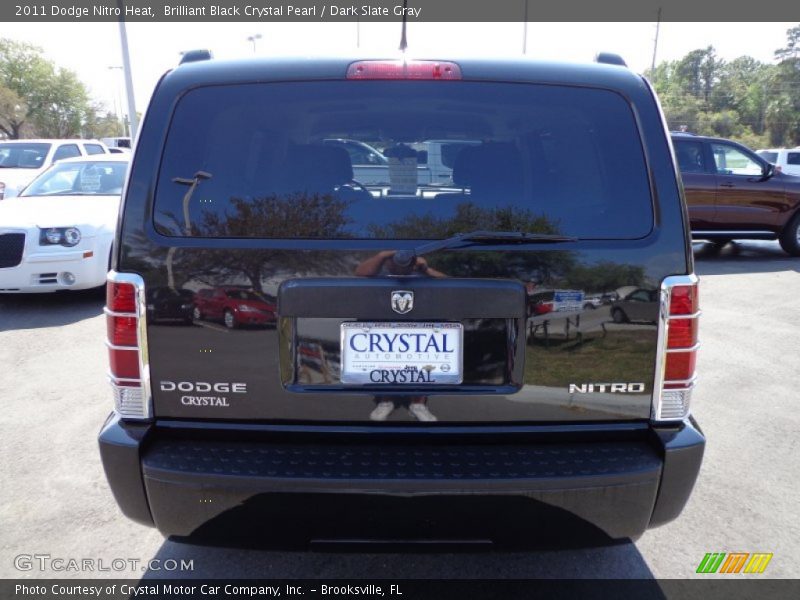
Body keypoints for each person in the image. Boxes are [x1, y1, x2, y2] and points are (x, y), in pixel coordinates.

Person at [355, 249, 444, 422]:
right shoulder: (379, 272)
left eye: (407, 263)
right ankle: (385, 400)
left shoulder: (422, 274)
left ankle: (418, 403)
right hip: (384, 325)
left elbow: (449, 284)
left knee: (423, 364)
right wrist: (381, 255)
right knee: (385, 363)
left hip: (419, 326)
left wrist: (425, 269)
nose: (401, 268)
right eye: (395, 262)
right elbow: (360, 274)